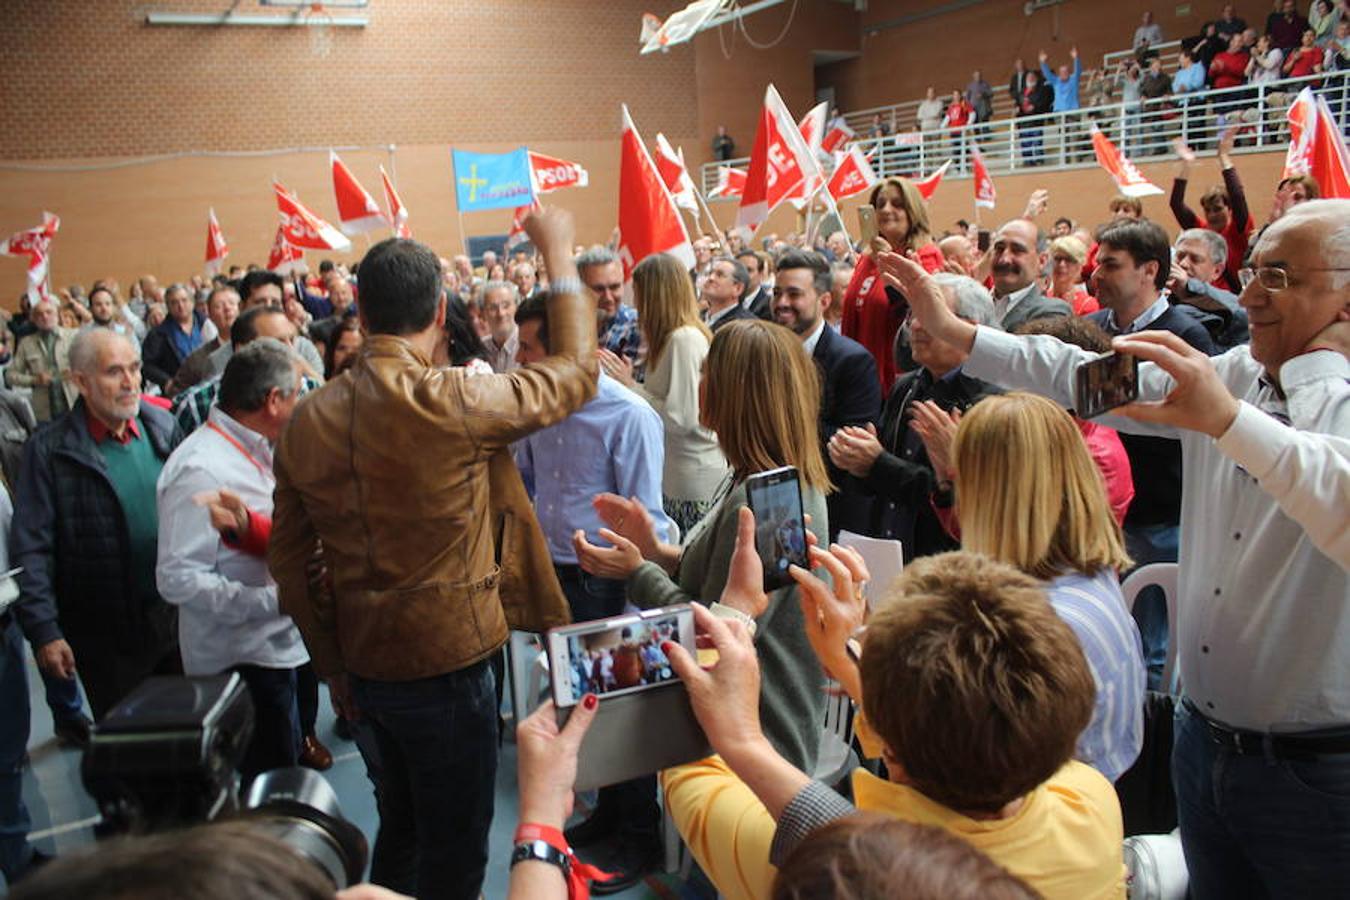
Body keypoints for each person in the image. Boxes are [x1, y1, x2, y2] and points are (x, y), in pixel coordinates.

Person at [876, 199, 1350, 897]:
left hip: (1313, 773)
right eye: (1251, 272)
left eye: (1277, 278)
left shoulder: (1242, 396)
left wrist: (1246, 411)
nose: (1247, 295)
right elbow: (1084, 376)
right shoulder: (1230, 377)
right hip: (1200, 741)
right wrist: (963, 335)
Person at [268, 208, 594, 900]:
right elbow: (576, 373)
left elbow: (291, 570)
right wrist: (558, 251)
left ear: (359, 307)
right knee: (455, 849)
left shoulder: (306, 420)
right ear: (442, 309)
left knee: (404, 829)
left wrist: (332, 667)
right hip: (451, 667)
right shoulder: (456, 399)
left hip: (362, 665)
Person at [662, 553, 1125, 900]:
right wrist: (851, 664)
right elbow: (981, 724)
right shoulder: (1091, 801)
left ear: (890, 751)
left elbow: (688, 766)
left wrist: (734, 614)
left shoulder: (837, 875)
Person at [575, 319, 832, 779]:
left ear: (736, 394)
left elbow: (718, 630)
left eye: (707, 373)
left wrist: (637, 571)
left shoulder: (769, 504)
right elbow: (718, 575)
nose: (698, 384)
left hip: (760, 738)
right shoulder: (762, 481)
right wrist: (655, 550)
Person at [512, 291, 674, 891]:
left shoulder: (628, 417)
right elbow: (526, 482)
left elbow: (648, 522)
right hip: (555, 579)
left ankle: (638, 835)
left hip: (606, 584)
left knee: (621, 710)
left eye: (529, 347)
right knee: (578, 710)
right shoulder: (537, 409)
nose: (519, 358)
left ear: (564, 351)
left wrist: (634, 606)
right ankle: (606, 813)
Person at [932, 392, 1145, 780]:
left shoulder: (1046, 624)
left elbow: (974, 780)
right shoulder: (1084, 574)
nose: (958, 497)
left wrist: (867, 675)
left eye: (961, 478)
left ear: (991, 496)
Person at [155, 340, 309, 784]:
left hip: (272, 648)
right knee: (269, 784)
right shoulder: (202, 469)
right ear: (273, 401)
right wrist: (272, 602)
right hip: (242, 660)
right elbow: (178, 578)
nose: (301, 403)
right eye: (297, 393)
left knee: (283, 772)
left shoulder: (256, 448)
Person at [10, 330, 182, 720]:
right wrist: (44, 630)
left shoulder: (162, 427)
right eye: (114, 372)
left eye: (135, 368)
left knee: (189, 740)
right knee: (132, 750)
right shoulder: (50, 451)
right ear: (80, 382)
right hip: (106, 636)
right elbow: (32, 547)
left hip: (175, 620)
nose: (129, 382)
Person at [830, 274, 1002, 562]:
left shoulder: (992, 401)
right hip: (893, 555)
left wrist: (877, 463)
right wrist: (856, 459)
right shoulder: (907, 385)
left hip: (950, 564)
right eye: (911, 314)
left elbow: (965, 499)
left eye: (930, 315)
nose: (915, 326)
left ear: (970, 328)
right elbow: (882, 475)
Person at [597, 253, 728, 535]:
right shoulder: (672, 339)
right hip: (677, 476)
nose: (636, 304)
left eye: (640, 294)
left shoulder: (684, 339)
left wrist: (631, 387)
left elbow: (683, 419)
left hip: (691, 482)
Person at [774, 250, 880, 538]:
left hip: (830, 512)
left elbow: (850, 445)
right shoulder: (766, 355)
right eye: (777, 293)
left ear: (824, 301)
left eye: (794, 294)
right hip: (776, 505)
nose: (782, 303)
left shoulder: (852, 361)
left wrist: (774, 424)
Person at [1012, 316, 1136, 525]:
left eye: (1028, 373)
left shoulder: (1096, 456)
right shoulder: (1042, 428)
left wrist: (962, 474)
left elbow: (1032, 538)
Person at [841, 178, 943, 393]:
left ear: (912, 211)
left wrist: (886, 260)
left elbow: (922, 318)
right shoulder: (866, 259)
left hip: (894, 384)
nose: (886, 210)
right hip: (858, 378)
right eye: (880, 204)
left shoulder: (925, 257)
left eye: (897, 204)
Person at [1168, 227, 1251, 351]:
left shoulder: (1232, 306)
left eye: (1195, 259)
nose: (1183, 264)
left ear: (1217, 271)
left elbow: (1244, 313)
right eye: (1179, 256)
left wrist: (1188, 287)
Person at [988, 218, 1072, 331]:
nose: (1004, 259)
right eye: (999, 249)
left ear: (1041, 261)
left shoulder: (1053, 312)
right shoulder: (974, 303)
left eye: (1017, 250)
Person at [6, 300, 77, 423]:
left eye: (49, 312)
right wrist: (34, 380)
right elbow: (10, 376)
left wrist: (76, 371)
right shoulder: (26, 344)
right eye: (39, 314)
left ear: (57, 315)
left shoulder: (74, 337)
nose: (44, 317)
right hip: (45, 414)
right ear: (33, 319)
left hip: (75, 407)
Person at [165, 285, 240, 397]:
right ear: (209, 314)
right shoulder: (198, 359)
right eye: (219, 306)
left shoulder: (259, 345)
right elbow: (177, 394)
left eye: (232, 303)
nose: (227, 308)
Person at [577, 247, 640, 362]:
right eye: (598, 289)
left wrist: (628, 381)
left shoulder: (637, 326)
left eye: (614, 287)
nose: (608, 297)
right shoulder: (566, 326)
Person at [140, 283, 208, 390]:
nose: (180, 306)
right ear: (168, 307)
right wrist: (166, 381)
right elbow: (148, 366)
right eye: (174, 302)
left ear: (192, 302)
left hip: (209, 381)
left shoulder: (207, 324)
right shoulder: (158, 334)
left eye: (184, 300)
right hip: (180, 389)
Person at [1048, 235, 1100, 315]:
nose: (1062, 264)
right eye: (1057, 258)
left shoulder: (1088, 305)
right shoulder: (1041, 297)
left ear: (1080, 266)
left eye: (1069, 259)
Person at [703, 256, 755, 331]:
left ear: (738, 288)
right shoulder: (698, 316)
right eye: (709, 273)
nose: (711, 278)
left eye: (719, 275)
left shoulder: (745, 327)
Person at [481, 280, 521, 373]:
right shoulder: (480, 349)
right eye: (493, 308)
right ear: (484, 313)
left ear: (516, 307)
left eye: (506, 306)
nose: (501, 313)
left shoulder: (528, 346)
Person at [1016, 68, 1054, 165]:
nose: (1031, 79)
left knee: (1037, 142)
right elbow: (1018, 105)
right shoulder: (1022, 93)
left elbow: (1044, 104)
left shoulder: (1041, 91)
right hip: (1023, 122)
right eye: (1029, 77)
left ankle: (1039, 160)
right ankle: (1027, 161)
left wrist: (1035, 107)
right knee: (1025, 143)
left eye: (1033, 77)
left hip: (1036, 121)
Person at [736, 248, 774, 320]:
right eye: (739, 269)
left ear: (761, 274)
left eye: (749, 270)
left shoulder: (768, 307)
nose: (743, 274)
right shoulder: (726, 300)